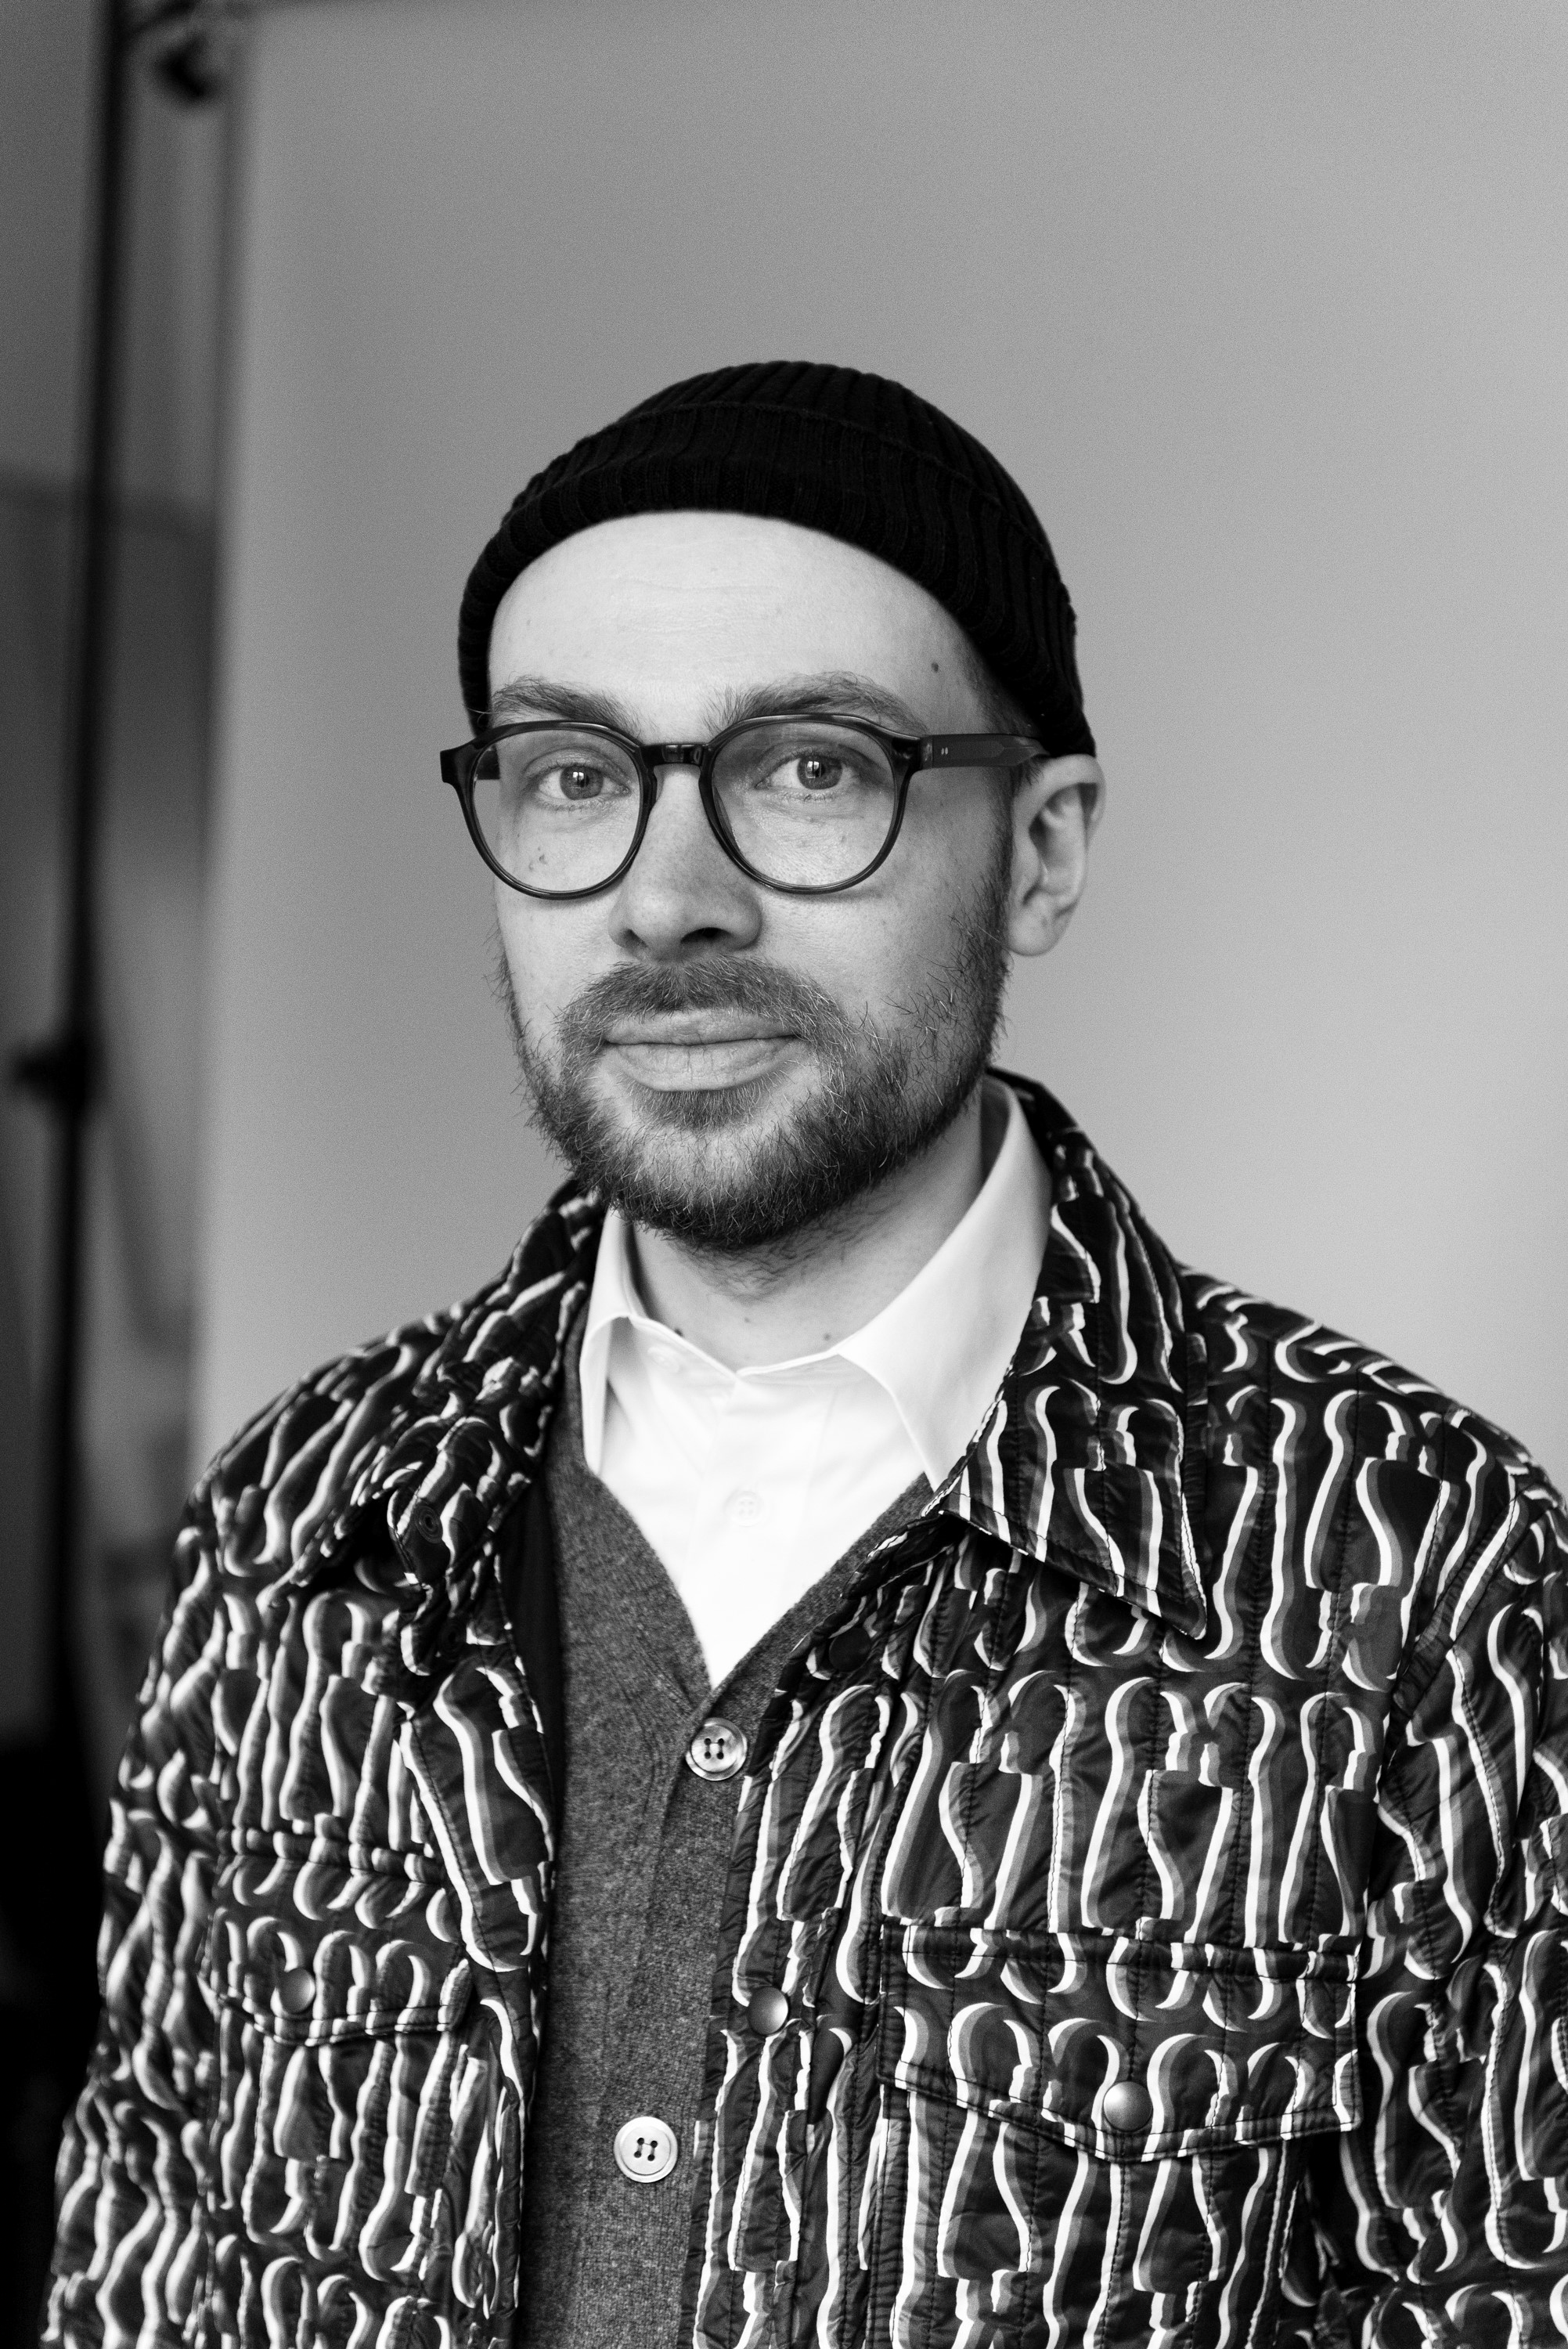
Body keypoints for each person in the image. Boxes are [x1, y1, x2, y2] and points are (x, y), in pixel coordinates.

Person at [45, 363, 1567, 2349]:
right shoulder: (298, 1517)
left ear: (1042, 849)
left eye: (812, 770)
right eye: (573, 776)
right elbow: (144, 2263)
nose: (667, 901)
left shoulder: (1416, 1569)